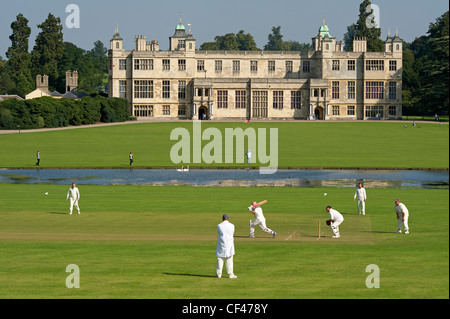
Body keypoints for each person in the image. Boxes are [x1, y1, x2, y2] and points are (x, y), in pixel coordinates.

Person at [216, 214, 237, 279]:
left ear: (222, 219)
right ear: (228, 219)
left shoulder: (219, 226)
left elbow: (219, 233)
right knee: (229, 259)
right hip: (229, 244)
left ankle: (219, 274)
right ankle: (230, 274)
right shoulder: (232, 226)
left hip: (222, 244)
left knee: (220, 258)